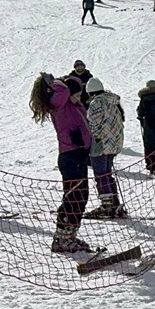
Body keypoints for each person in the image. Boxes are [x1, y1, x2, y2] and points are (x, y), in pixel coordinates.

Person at [30, 74, 95, 253]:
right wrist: (54, 81)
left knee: (82, 197)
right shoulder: (60, 105)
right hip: (70, 156)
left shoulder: (76, 106)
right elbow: (63, 89)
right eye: (77, 93)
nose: (79, 96)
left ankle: (70, 236)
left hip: (80, 155)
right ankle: (61, 239)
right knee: (73, 198)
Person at [84, 77, 127, 218]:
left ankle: (107, 205)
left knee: (101, 175)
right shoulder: (113, 101)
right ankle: (114, 201)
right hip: (114, 143)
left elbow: (93, 125)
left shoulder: (96, 103)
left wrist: (93, 139)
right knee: (107, 173)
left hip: (101, 144)